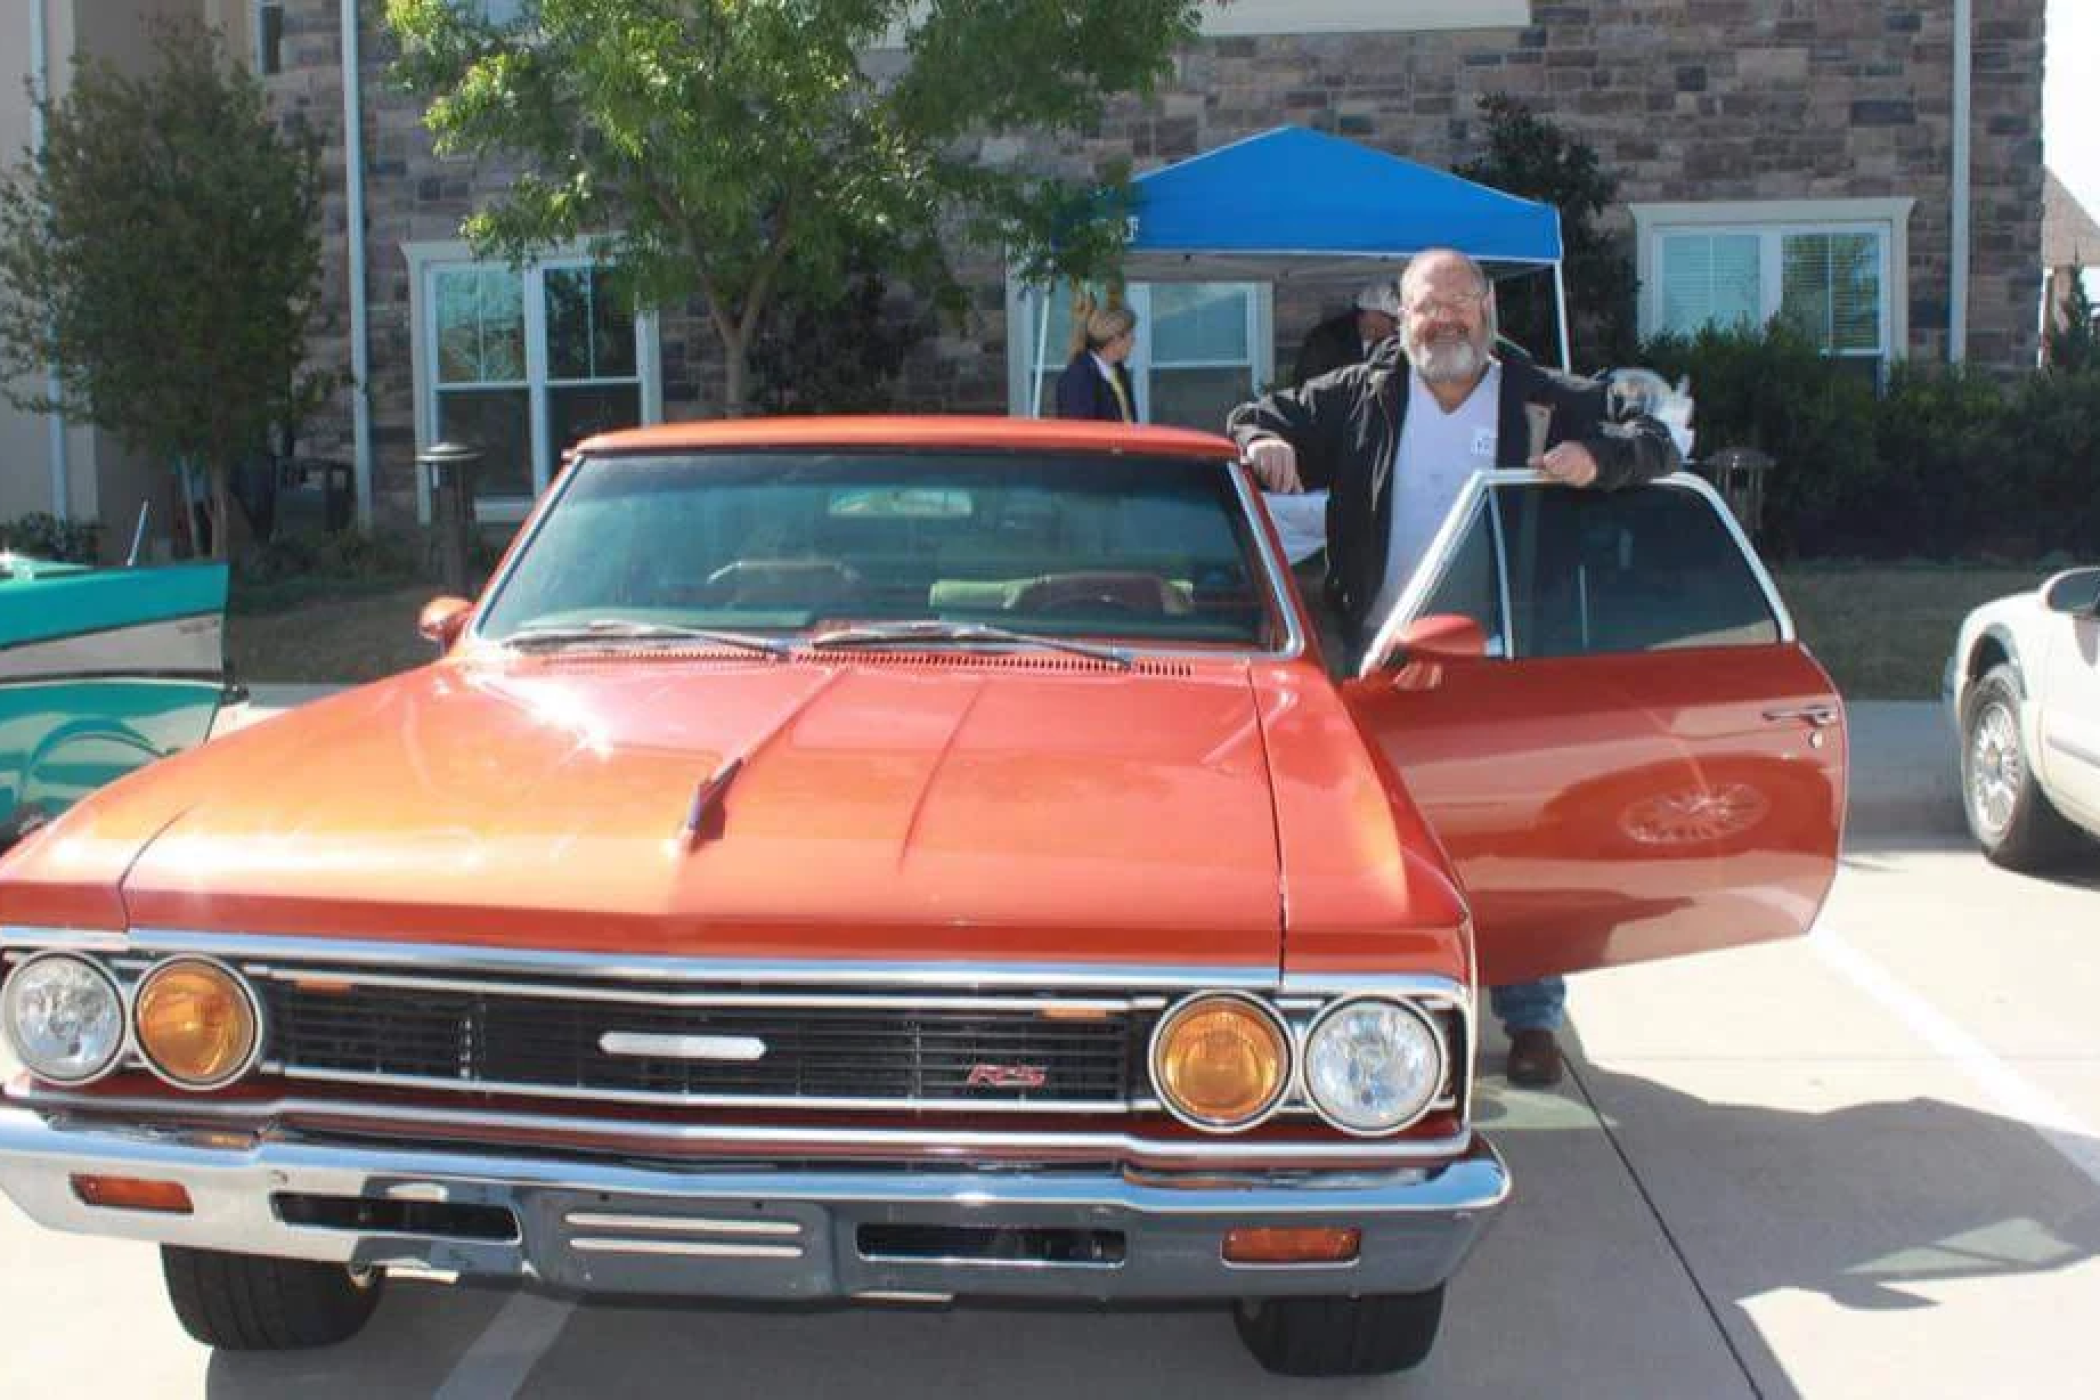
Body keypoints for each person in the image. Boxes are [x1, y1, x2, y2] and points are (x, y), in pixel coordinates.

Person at [1226, 247, 1682, 1090]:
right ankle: (1388, 1020)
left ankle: (1533, 1021)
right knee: (1382, 847)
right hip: (1386, 658)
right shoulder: (1365, 393)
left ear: (1488, 312)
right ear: (1400, 319)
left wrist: (1602, 461)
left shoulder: (1550, 399)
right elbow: (1254, 413)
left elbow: (1659, 441)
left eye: (1459, 305)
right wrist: (1261, 441)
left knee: (1518, 845)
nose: (1444, 322)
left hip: (1509, 662)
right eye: (1425, 309)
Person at [1290, 280, 1400, 386]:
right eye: (1393, 319)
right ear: (1371, 314)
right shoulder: (1324, 339)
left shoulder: (1394, 343)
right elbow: (1305, 386)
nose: (1397, 326)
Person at [1054, 302, 1139, 422]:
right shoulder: (1077, 378)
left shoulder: (1118, 371)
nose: (1134, 341)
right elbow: (1079, 434)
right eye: (1131, 335)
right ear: (1115, 339)